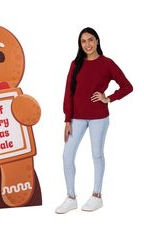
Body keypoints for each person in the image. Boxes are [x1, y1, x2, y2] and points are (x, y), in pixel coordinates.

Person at [55, 27, 133, 214]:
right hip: (76, 118)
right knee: (67, 155)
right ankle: (71, 197)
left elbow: (127, 86)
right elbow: (68, 93)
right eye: (83, 41)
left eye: (91, 40)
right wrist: (67, 120)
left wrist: (109, 98)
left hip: (99, 117)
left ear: (97, 41)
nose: (87, 44)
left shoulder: (107, 63)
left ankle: (97, 196)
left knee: (97, 154)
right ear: (80, 45)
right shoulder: (76, 64)